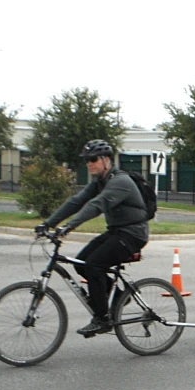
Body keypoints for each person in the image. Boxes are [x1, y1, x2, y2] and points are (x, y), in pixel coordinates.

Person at [35, 140, 150, 336]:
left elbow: (97, 205)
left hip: (133, 234)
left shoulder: (120, 181)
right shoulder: (100, 182)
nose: (89, 163)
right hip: (117, 231)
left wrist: (68, 227)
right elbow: (77, 201)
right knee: (81, 263)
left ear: (106, 160)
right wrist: (48, 224)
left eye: (93, 159)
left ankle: (102, 318)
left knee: (94, 265)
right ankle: (118, 296)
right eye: (87, 160)